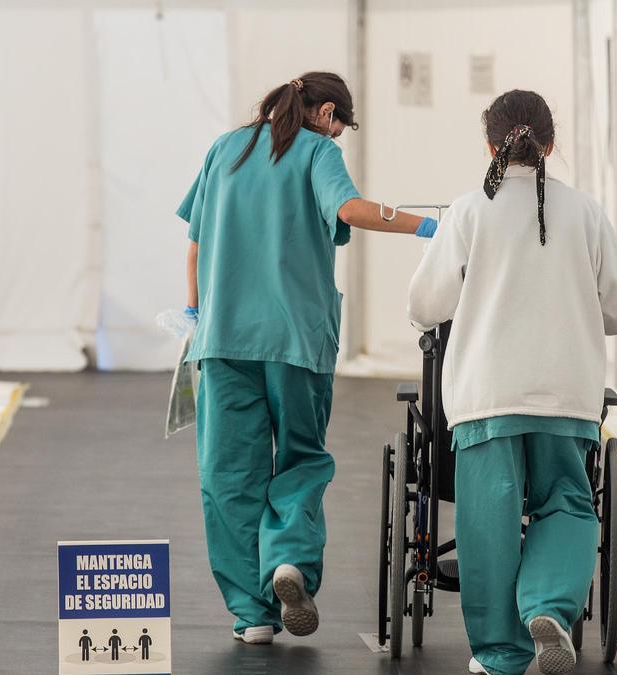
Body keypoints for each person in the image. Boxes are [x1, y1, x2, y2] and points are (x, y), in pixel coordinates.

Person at [177, 72, 435, 646]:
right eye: (340, 121)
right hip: (297, 341)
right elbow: (348, 209)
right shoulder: (318, 151)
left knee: (228, 478)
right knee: (299, 459)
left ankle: (253, 614)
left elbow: (194, 246)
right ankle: (289, 563)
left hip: (222, 342)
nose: (340, 132)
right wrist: (427, 226)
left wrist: (194, 316)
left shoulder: (227, 148)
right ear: (323, 112)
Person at [407, 90, 617, 675]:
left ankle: (500, 655)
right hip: (566, 390)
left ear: (490, 145)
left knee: (488, 524)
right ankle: (549, 606)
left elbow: (426, 302)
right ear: (550, 146)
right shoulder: (585, 211)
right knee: (567, 502)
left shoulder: (467, 211)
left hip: (486, 394)